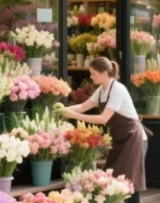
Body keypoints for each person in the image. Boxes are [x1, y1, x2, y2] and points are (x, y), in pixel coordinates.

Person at [57, 57, 149, 203]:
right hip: (119, 137)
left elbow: (104, 118)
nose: (91, 77)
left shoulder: (118, 89)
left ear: (105, 72)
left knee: (130, 182)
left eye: (94, 73)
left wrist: (73, 115)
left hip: (133, 137)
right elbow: (83, 106)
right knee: (114, 180)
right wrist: (62, 110)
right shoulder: (102, 90)